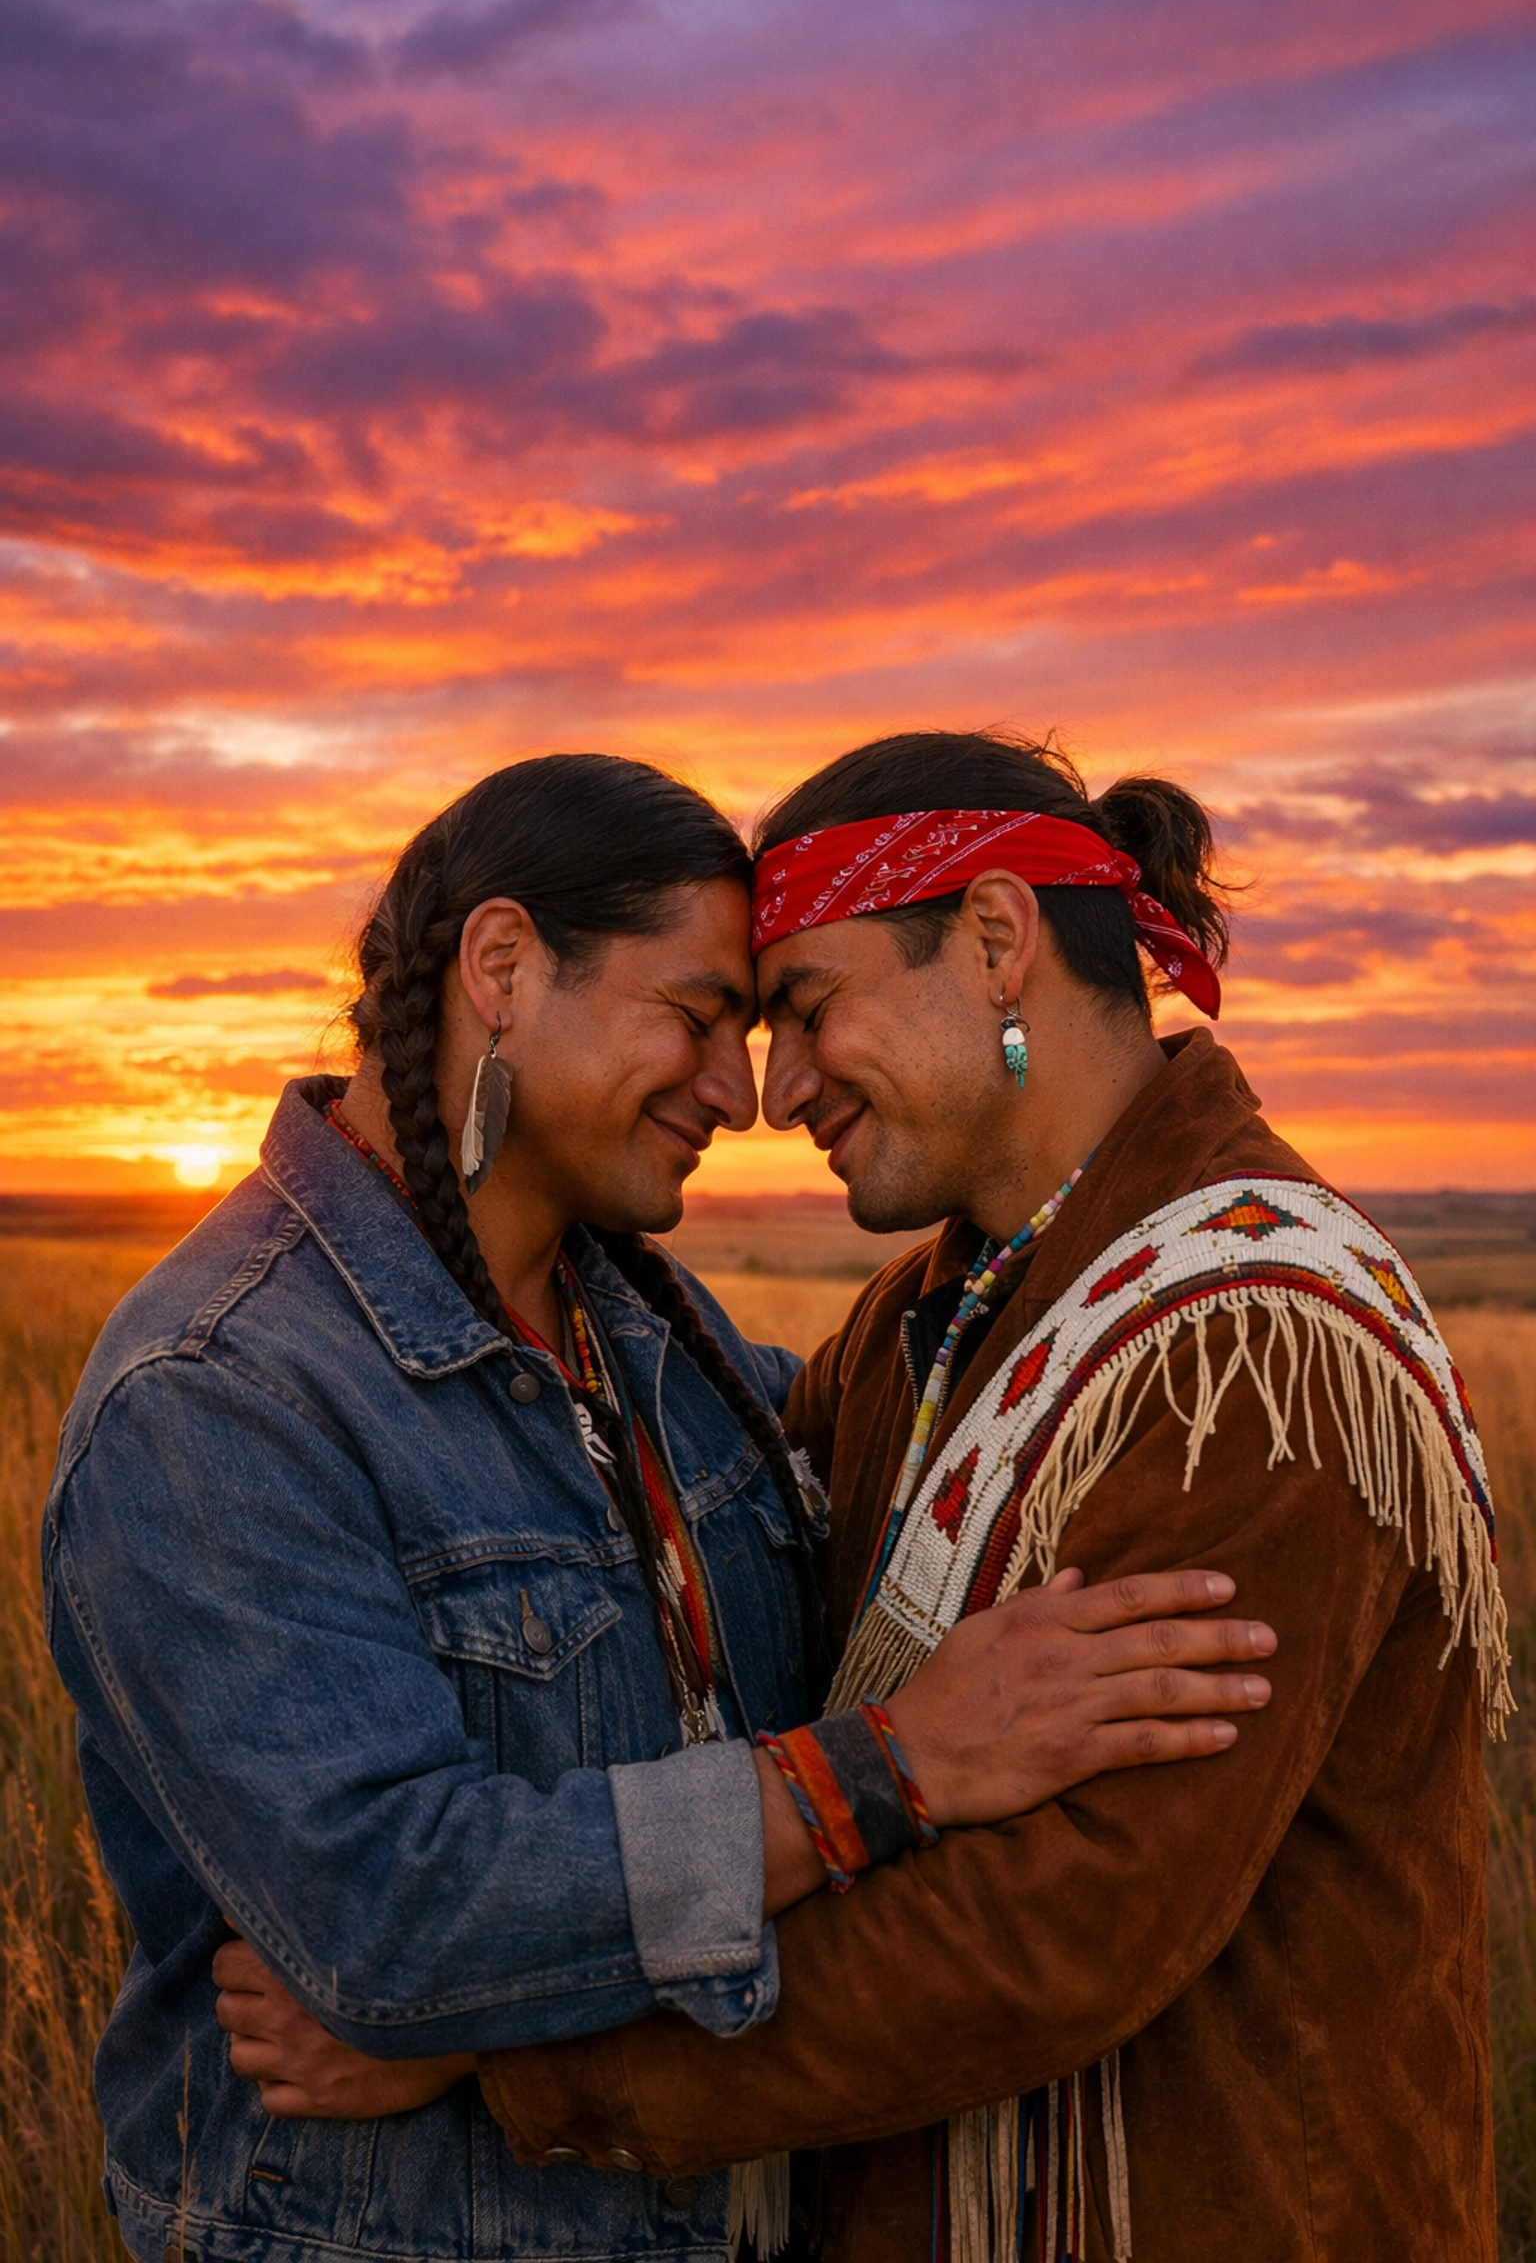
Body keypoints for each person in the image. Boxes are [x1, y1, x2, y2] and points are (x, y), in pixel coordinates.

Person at [44, 752, 1273, 2263]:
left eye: (769, 1025)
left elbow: (949, 1405)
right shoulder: (219, 1396)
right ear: (501, 968)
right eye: (697, 1020)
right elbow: (387, 1923)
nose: (740, 1094)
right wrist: (880, 1771)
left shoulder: (650, 1334)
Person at [293, 730, 1498, 2262]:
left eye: (806, 1008)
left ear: (996, 943)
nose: (772, 1089)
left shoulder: (1252, 1345)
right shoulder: (926, 1317)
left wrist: (507, 2055)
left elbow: (1056, 1927)